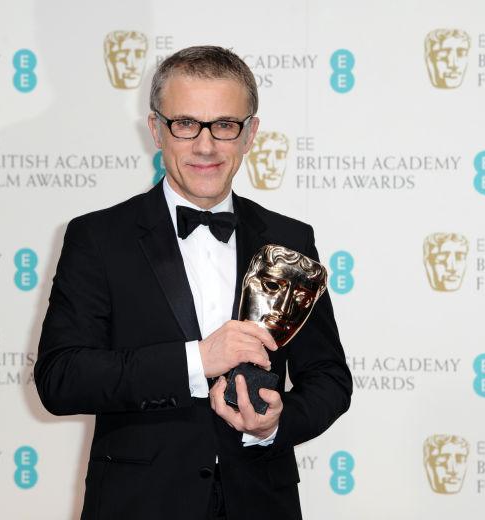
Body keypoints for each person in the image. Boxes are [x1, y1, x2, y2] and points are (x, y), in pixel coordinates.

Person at [35, 45, 351, 520]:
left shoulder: (290, 239)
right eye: (186, 124)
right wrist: (197, 360)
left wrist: (272, 425)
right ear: (156, 129)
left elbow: (328, 378)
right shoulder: (98, 238)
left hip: (262, 501)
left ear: (251, 135)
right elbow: (60, 378)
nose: (206, 146)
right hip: (138, 503)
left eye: (225, 125)